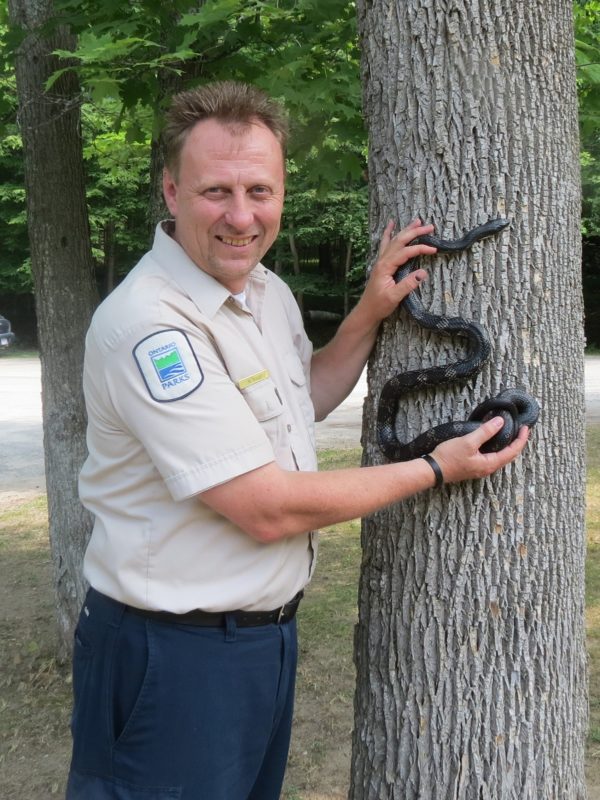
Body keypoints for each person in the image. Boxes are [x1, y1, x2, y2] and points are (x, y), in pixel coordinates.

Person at [66, 80, 529, 800]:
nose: (241, 215)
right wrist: (437, 468)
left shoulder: (263, 292)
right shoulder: (152, 328)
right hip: (172, 654)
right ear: (171, 192)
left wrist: (370, 312)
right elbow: (264, 506)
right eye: (216, 191)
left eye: (260, 189)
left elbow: (303, 396)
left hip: (260, 644)